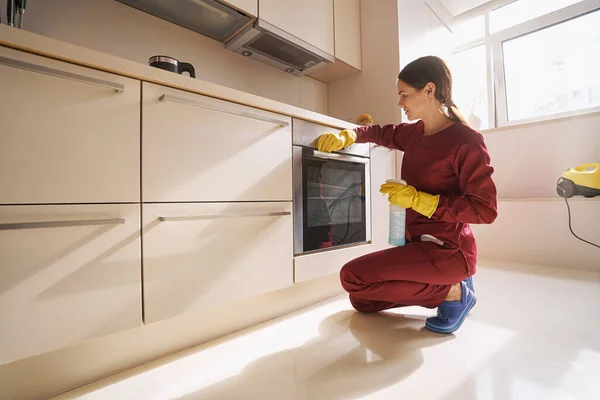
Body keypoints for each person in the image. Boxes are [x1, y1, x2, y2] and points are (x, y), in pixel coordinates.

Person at [316, 56, 498, 334]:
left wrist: (418, 200)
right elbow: (379, 132)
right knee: (361, 300)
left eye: (404, 95)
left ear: (429, 90)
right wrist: (349, 135)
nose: (400, 103)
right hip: (416, 244)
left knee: (351, 276)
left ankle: (453, 291)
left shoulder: (467, 140)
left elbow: (485, 209)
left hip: (448, 250)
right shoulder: (414, 133)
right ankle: (447, 285)